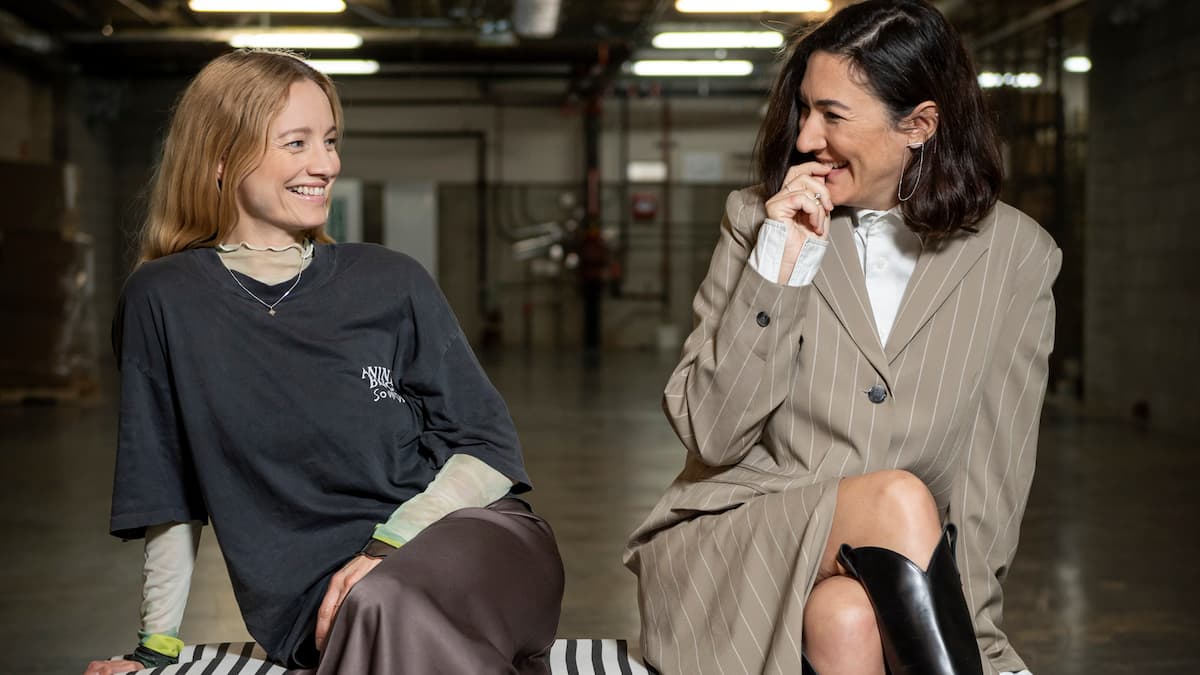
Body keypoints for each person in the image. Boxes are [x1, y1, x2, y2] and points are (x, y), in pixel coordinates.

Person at [84, 49, 563, 675]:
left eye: (331, 141)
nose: (326, 164)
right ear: (221, 159)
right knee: (381, 612)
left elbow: (488, 446)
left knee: (386, 604)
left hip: (474, 542)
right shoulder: (164, 299)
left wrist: (389, 547)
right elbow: (168, 488)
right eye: (297, 143)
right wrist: (155, 649)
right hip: (316, 604)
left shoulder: (391, 280)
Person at [624, 2, 1059, 675]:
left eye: (833, 115)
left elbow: (991, 476)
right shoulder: (755, 221)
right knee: (897, 496)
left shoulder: (1017, 256)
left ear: (918, 124)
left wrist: (981, 635)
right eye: (804, 110)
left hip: (879, 572)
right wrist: (779, 268)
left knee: (846, 617)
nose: (804, 139)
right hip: (741, 545)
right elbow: (711, 435)